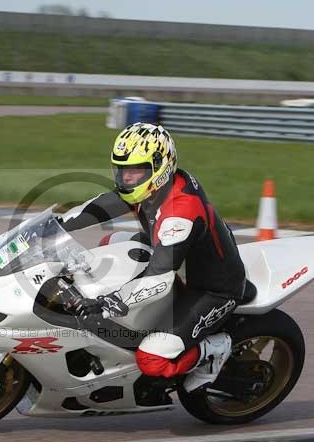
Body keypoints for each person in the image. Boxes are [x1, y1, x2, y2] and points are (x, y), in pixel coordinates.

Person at [58, 122, 248, 392]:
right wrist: (58, 225)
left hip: (210, 289)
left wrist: (108, 303)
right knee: (105, 246)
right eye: (122, 171)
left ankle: (213, 351)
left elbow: (158, 278)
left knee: (151, 360)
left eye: (135, 171)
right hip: (177, 262)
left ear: (160, 167)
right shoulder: (156, 184)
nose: (127, 179)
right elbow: (105, 205)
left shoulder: (179, 214)